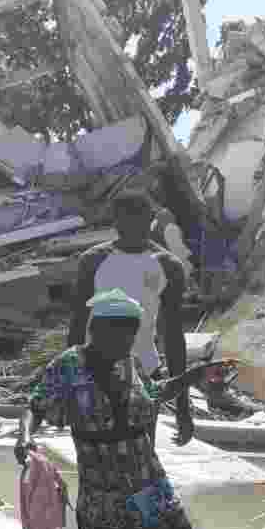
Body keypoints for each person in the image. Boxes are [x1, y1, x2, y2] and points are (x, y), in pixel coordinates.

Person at [17, 288, 232, 529]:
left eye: (131, 337)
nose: (126, 344)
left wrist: (193, 377)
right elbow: (35, 404)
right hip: (103, 487)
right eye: (119, 336)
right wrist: (24, 436)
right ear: (96, 330)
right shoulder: (68, 365)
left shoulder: (129, 363)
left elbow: (152, 395)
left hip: (147, 477)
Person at [67, 190, 194, 447]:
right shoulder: (93, 261)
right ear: (116, 222)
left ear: (150, 220)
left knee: (143, 455)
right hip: (96, 373)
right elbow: (77, 327)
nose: (134, 228)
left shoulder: (168, 265)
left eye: (140, 221)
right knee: (97, 457)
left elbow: (173, 335)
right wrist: (72, 384)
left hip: (145, 373)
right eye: (127, 221)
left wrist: (182, 406)